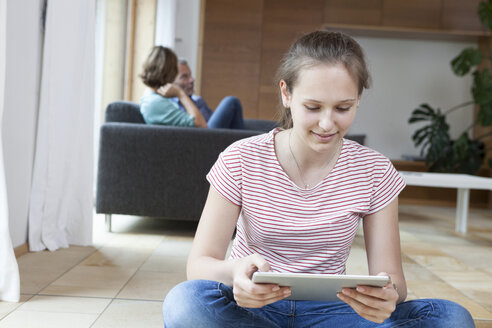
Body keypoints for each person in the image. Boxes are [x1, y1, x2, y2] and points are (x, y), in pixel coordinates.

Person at [161, 31, 475, 327]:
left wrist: (386, 295)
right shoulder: (241, 158)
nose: (327, 124)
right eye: (313, 107)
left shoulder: (374, 171)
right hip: (252, 307)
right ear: (286, 94)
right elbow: (199, 265)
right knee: (185, 303)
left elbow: (393, 281)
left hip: (335, 312)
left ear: (358, 100)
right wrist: (235, 273)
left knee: (451, 318)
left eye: (343, 108)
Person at [139, 46, 244, 129]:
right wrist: (180, 94)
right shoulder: (154, 102)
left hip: (195, 138)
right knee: (231, 102)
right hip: (201, 139)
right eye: (183, 76)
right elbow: (201, 125)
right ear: (168, 72)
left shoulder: (155, 97)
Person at [172, 58, 244, 128]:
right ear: (171, 81)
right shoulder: (169, 105)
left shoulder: (199, 101)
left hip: (211, 134)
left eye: (190, 75)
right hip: (199, 137)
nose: (192, 80)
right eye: (184, 77)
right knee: (231, 101)